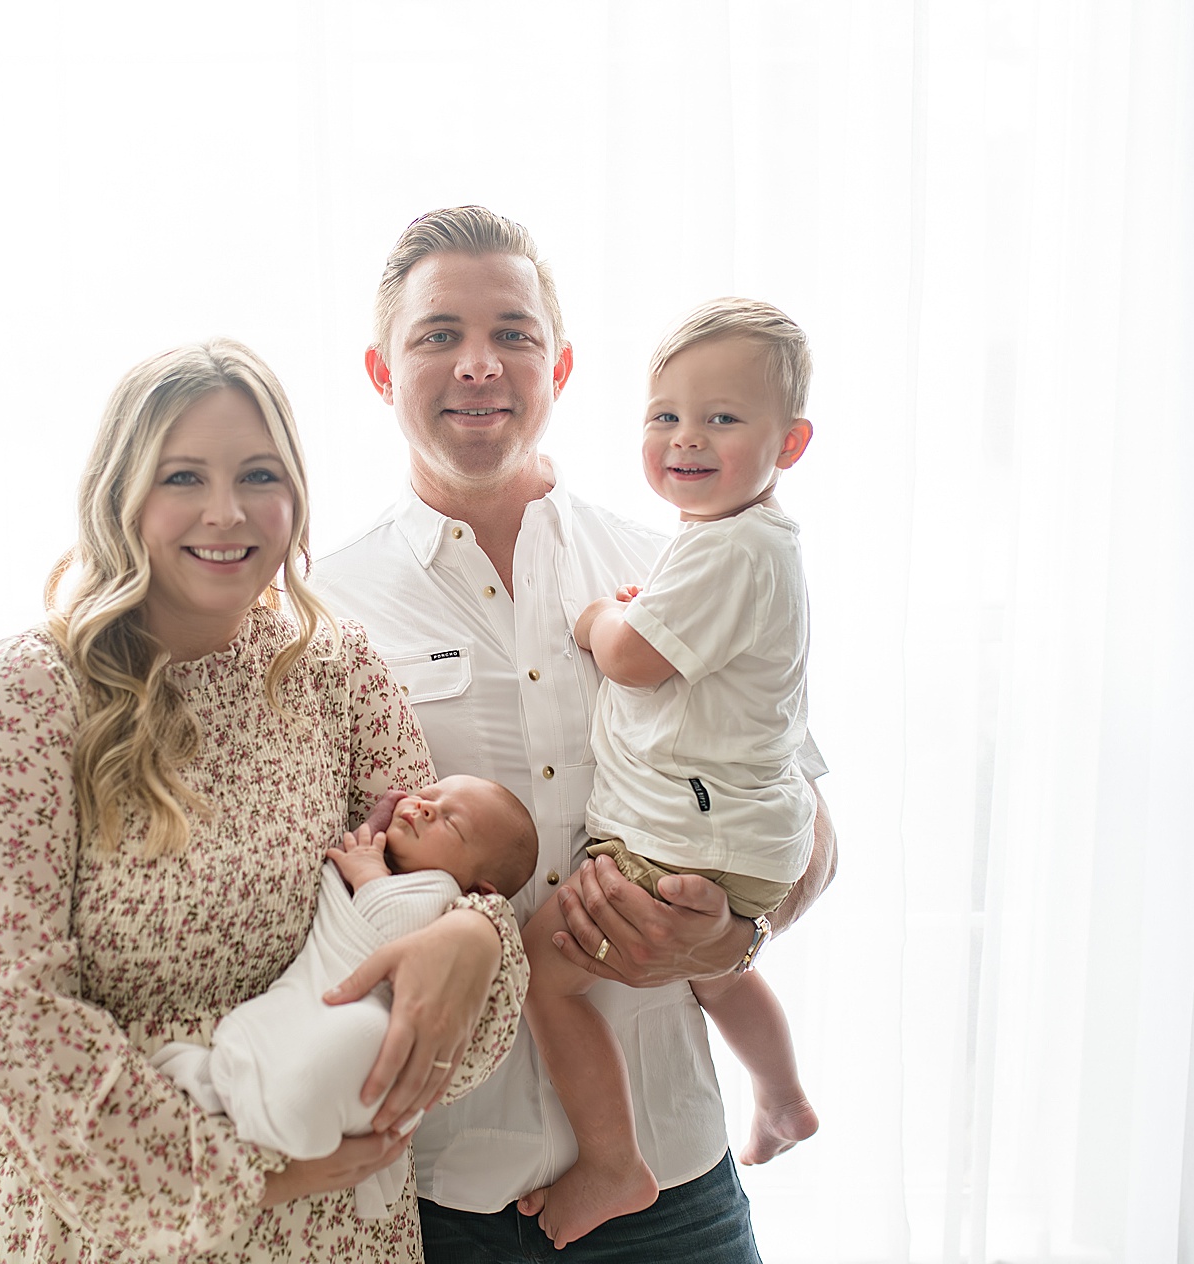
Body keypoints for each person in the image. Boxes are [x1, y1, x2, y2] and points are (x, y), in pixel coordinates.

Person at [0, 339, 531, 1263]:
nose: (226, 511)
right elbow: (6, 1019)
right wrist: (251, 1177)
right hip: (103, 1226)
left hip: (331, 1232)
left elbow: (451, 886)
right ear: (119, 492)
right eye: (182, 477)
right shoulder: (27, 694)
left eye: (257, 474)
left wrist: (476, 939)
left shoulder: (334, 670)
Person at [314, 208, 839, 1264]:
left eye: (511, 332)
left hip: (675, 1180)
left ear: (557, 363)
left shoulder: (676, 565)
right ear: (380, 370)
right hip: (434, 1189)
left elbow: (806, 826)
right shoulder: (324, 611)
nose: (478, 364)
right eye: (436, 336)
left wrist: (732, 935)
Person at [518, 299, 822, 1248]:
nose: (687, 439)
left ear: (792, 441)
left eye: (722, 418)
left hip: (686, 843)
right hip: (730, 840)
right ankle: (780, 1096)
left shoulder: (715, 549)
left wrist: (596, 621)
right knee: (715, 978)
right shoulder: (732, 543)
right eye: (665, 416)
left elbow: (634, 658)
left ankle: (613, 1160)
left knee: (539, 971)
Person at [152, 775, 539, 1221]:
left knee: (367, 1037)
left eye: (452, 823)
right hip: (317, 1010)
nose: (424, 807)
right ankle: (252, 1096)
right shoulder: (393, 868)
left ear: (481, 889)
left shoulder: (438, 895)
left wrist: (368, 873)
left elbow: (392, 928)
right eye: (428, 795)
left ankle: (273, 1109)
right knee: (328, 1047)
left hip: (367, 1041)